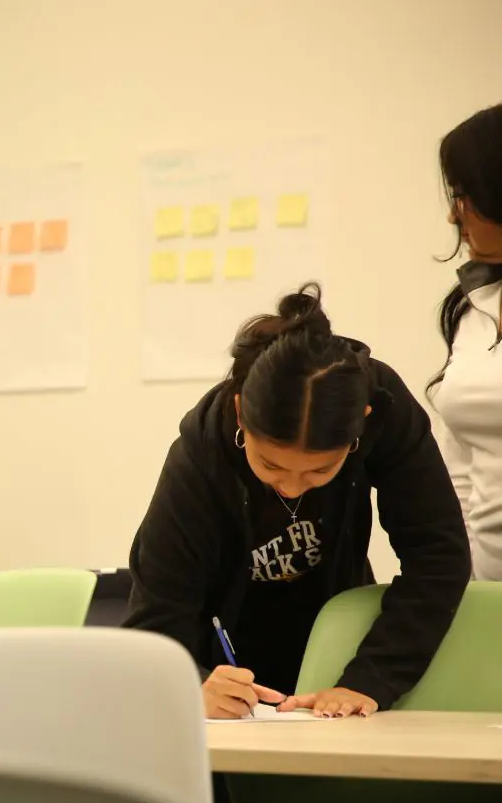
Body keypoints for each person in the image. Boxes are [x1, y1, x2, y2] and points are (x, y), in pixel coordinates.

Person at [124, 284, 470, 720]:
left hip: (334, 632)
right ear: (240, 417)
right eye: (269, 465)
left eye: (319, 472)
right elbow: (156, 612)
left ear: (359, 429)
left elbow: (438, 556)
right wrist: (190, 683)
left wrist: (369, 680)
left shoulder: (383, 407)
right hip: (230, 651)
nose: (290, 488)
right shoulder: (202, 452)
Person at [429, 102, 502, 581]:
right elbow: (459, 469)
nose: (456, 216)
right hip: (479, 594)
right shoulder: (472, 306)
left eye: (465, 195)